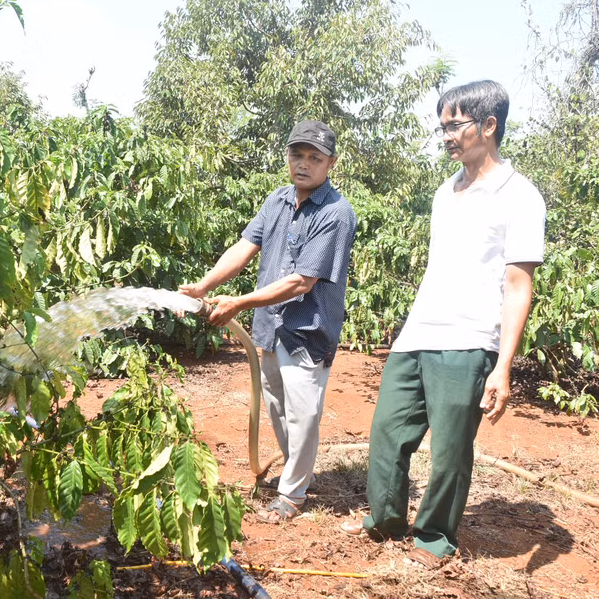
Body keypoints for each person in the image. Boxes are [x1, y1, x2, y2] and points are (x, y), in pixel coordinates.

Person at [340, 80, 546, 568]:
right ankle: (385, 520)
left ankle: (433, 537)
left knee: (450, 449)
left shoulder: (520, 196)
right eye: (443, 127)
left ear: (489, 125)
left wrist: (503, 365)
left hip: (471, 339)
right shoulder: (444, 190)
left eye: (455, 125)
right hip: (419, 333)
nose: (447, 136)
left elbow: (518, 285)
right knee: (389, 432)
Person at [179, 120, 357, 523]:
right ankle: (296, 474)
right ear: (288, 157)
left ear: (331, 163)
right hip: (271, 327)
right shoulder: (276, 200)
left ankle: (292, 495)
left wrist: (238, 302)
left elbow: (301, 281)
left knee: (302, 413)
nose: (304, 164)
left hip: (307, 331)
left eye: (315, 158)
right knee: (276, 406)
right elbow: (244, 246)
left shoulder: (335, 213)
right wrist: (203, 287)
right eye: (298, 155)